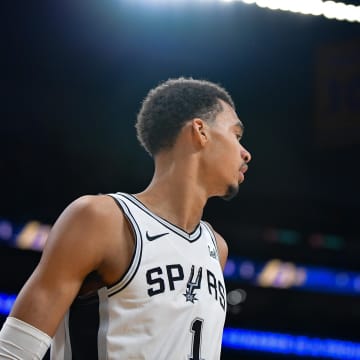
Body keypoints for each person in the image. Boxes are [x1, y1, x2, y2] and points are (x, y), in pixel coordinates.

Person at [0, 77, 251, 359]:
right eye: (236, 134)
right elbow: (13, 352)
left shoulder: (216, 248)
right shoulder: (101, 219)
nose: (246, 153)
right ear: (200, 131)